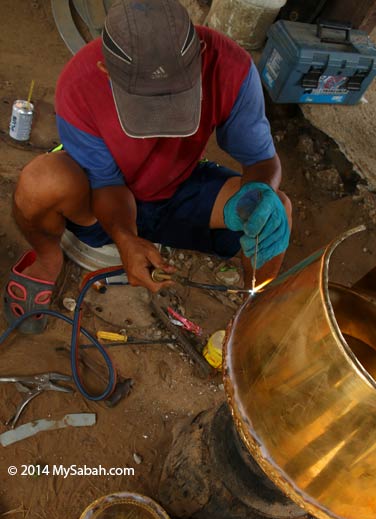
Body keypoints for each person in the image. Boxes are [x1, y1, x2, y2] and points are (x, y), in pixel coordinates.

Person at [4, 0, 291, 334]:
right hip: (103, 198)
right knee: (40, 181)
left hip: (180, 187)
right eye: (146, 107)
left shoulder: (232, 68)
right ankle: (49, 260)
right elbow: (106, 185)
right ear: (106, 69)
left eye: (177, 99)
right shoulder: (80, 84)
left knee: (276, 209)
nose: (163, 123)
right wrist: (126, 239)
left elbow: (261, 160)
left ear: (198, 50)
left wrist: (258, 195)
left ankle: (252, 314)